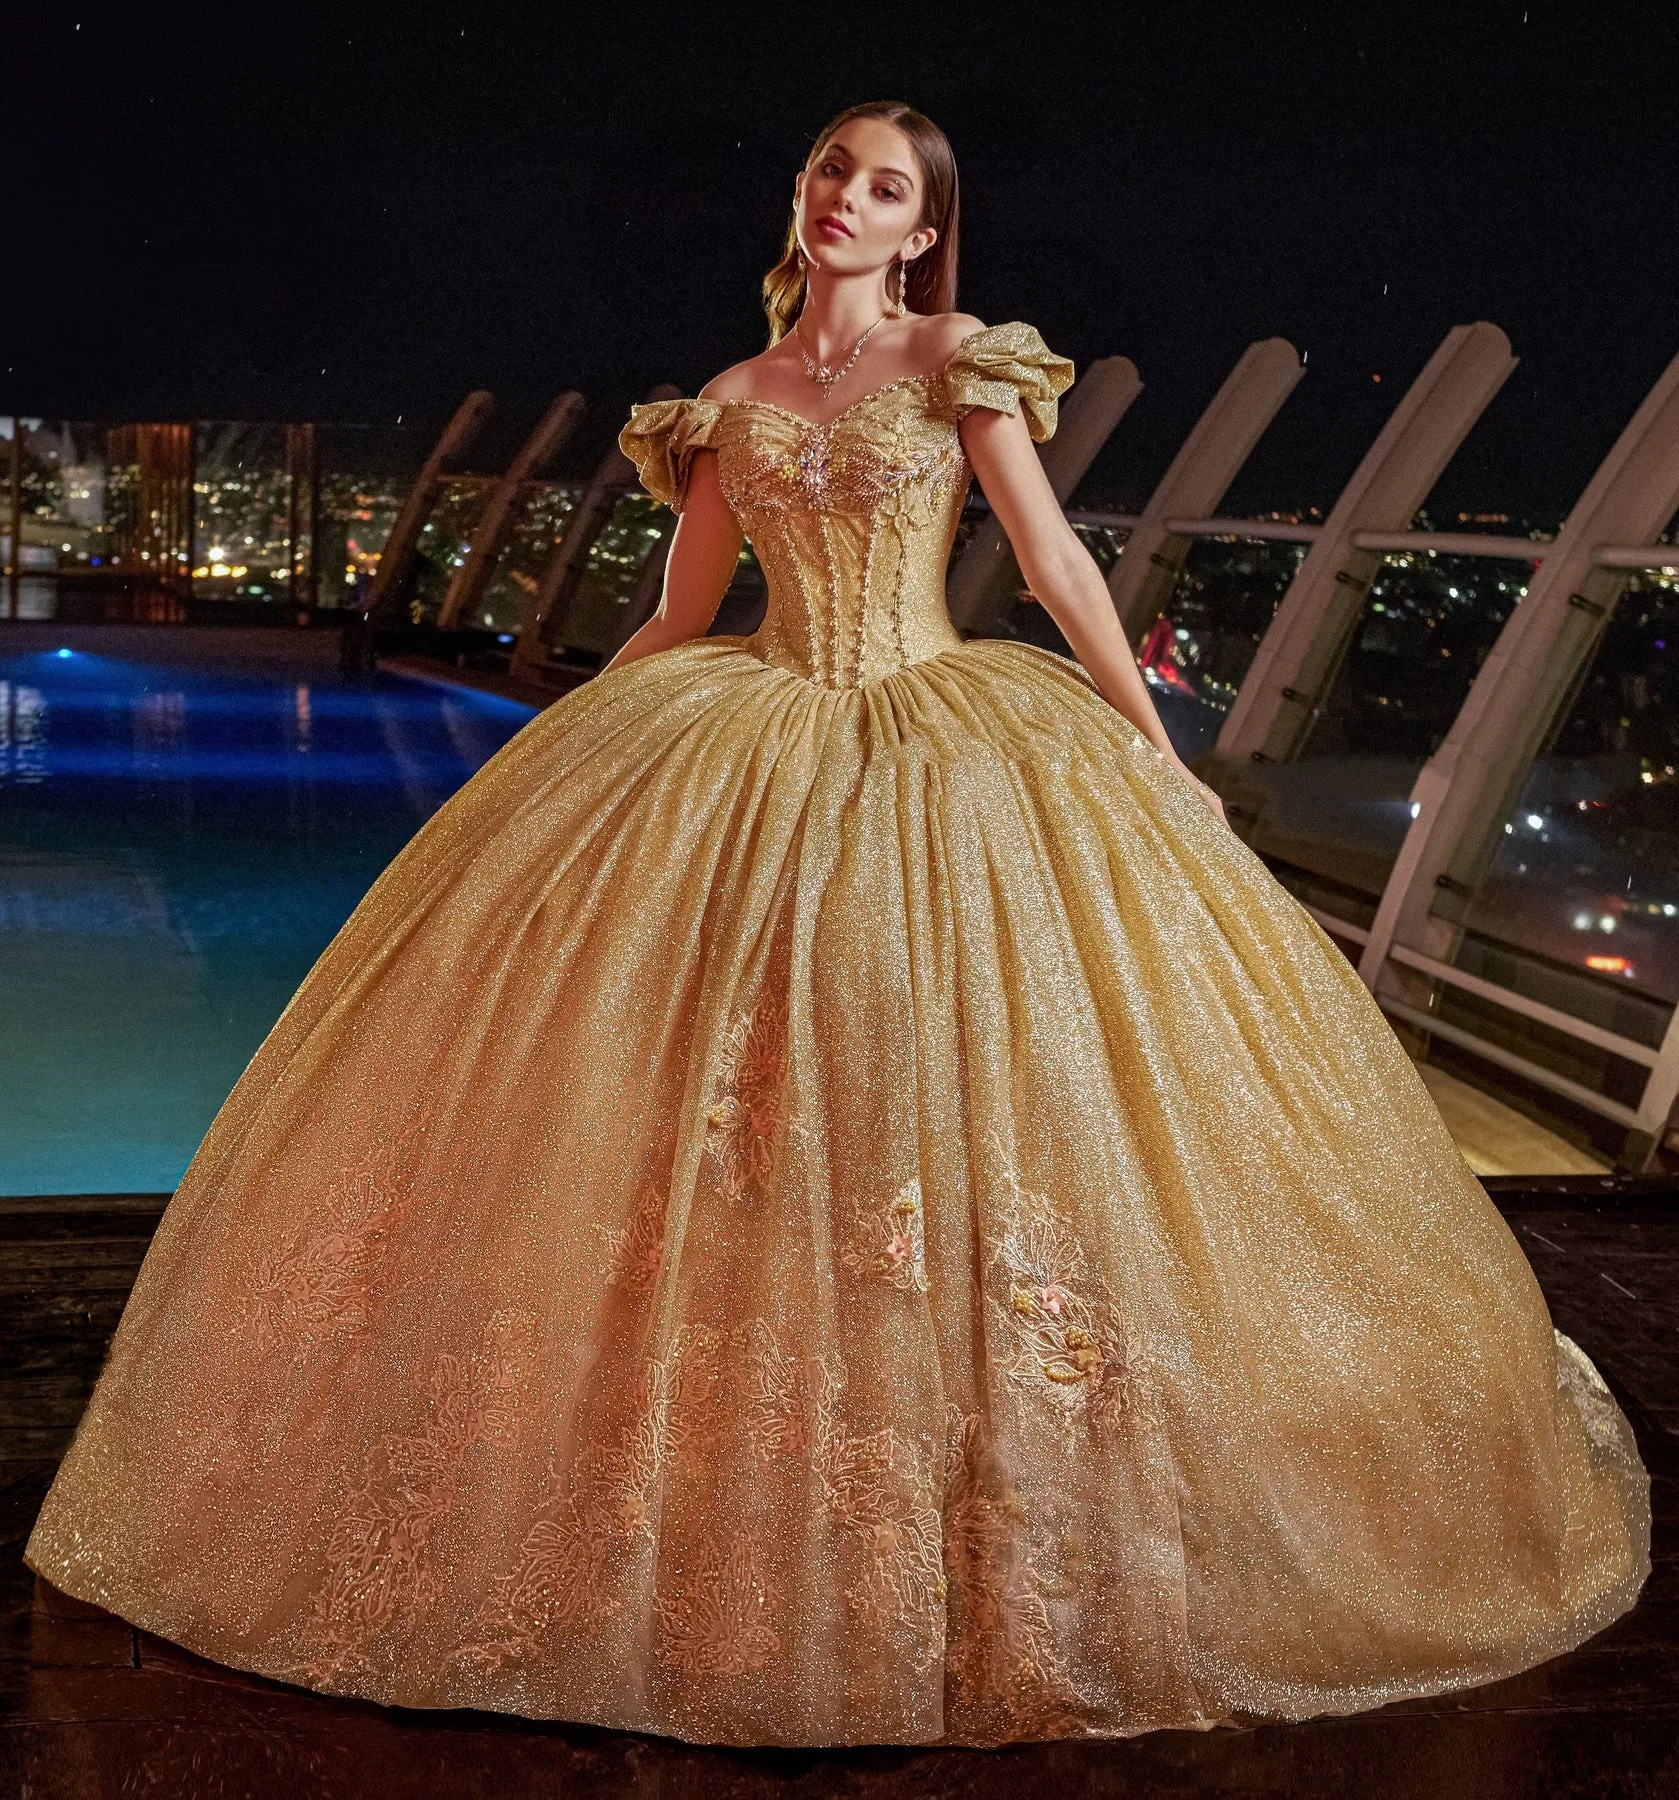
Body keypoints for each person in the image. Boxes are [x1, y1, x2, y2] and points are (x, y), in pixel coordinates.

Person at [27, 100, 1648, 1750]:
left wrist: (1168, 764)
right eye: (830, 173)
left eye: (884, 188)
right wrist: (559, 752)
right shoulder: (723, 399)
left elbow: (1058, 571)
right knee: (725, 1106)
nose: (845, 202)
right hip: (754, 717)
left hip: (939, 729)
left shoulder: (960, 362)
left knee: (944, 1085)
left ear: (922, 230)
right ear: (803, 198)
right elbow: (681, 609)